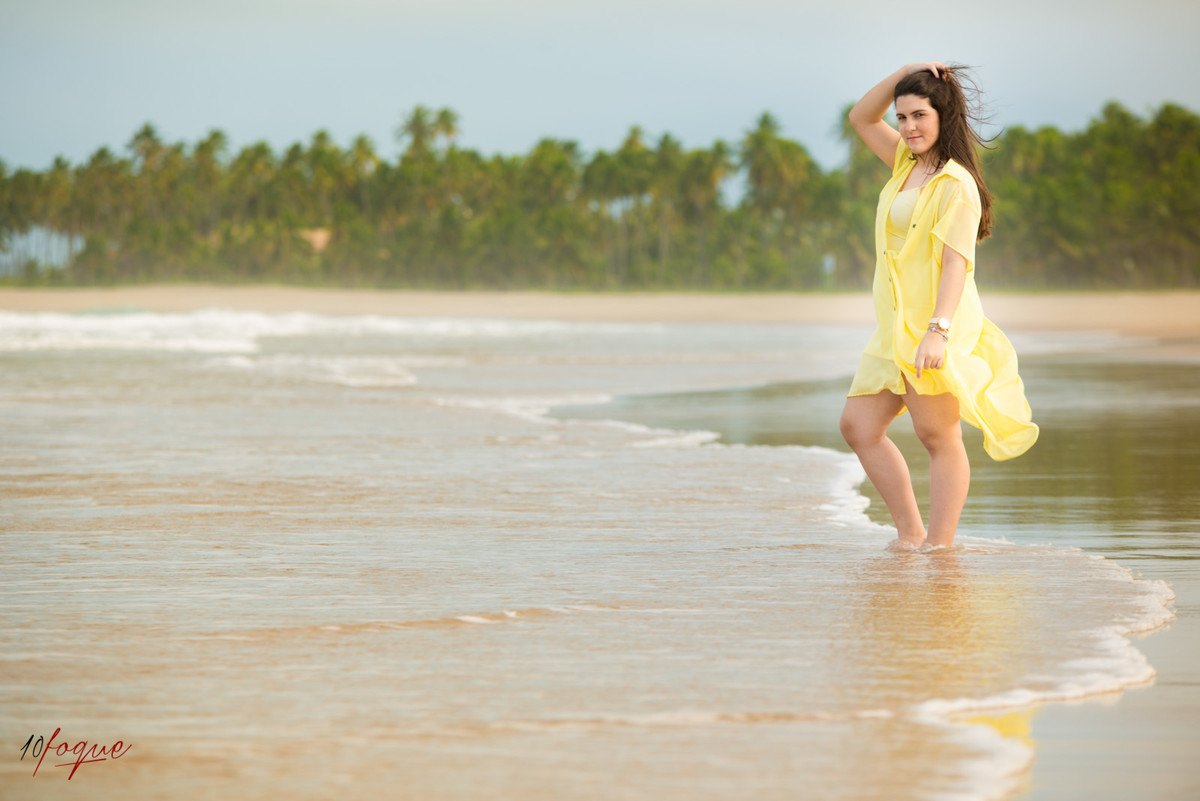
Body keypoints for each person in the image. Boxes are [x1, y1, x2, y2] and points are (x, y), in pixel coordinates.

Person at [839, 62, 1039, 552]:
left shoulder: (956, 184)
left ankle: (940, 547)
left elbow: (956, 265)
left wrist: (939, 330)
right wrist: (905, 73)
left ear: (942, 116)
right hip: (894, 327)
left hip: (934, 324)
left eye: (919, 115)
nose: (908, 127)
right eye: (903, 116)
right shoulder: (905, 164)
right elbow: (861, 118)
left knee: (936, 435)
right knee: (859, 426)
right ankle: (911, 533)